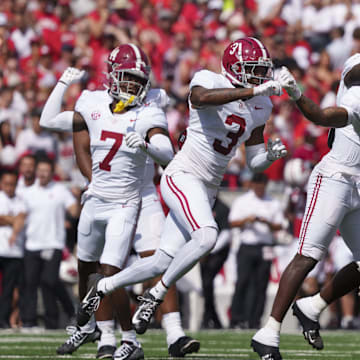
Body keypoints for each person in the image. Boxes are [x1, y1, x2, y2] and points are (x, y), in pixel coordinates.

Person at [75, 37, 287, 338]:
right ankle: (154, 296)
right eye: (251, 70)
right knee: (208, 235)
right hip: (183, 174)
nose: (257, 77)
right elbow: (201, 98)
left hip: (208, 186)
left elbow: (253, 162)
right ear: (233, 67)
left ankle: (103, 286)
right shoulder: (208, 78)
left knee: (161, 260)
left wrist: (271, 156)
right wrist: (252, 90)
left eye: (260, 72)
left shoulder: (261, 102)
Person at [40, 44, 198, 359]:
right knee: (97, 269)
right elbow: (68, 133)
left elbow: (166, 152)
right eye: (125, 78)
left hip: (142, 193)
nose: (131, 85)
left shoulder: (152, 104)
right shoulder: (92, 101)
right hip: (105, 194)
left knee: (155, 260)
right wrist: (94, 181)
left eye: (137, 79)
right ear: (111, 76)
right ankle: (103, 337)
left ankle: (173, 334)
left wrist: (149, 146)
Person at [251, 53, 360, 360]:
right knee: (308, 256)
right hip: (335, 178)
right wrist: (297, 94)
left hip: (359, 184)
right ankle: (268, 333)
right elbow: (325, 115)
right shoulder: (357, 90)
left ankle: (311, 306)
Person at [20, 157, 79, 330]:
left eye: (46, 170)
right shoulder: (28, 193)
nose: (43, 173)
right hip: (32, 244)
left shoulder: (60, 190)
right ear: (37, 172)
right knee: (30, 283)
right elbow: (21, 217)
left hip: (54, 243)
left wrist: (77, 199)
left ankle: (55, 319)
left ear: (52, 173)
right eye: (41, 170)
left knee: (49, 281)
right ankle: (29, 321)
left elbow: (74, 211)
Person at [229, 172, 285, 330]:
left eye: (262, 187)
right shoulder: (242, 201)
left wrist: (267, 223)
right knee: (242, 282)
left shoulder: (272, 202)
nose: (260, 189)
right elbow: (233, 222)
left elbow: (279, 225)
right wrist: (248, 220)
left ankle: (255, 320)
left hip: (265, 247)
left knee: (261, 285)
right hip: (247, 245)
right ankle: (237, 318)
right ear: (252, 185)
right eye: (257, 186)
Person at [0, 170, 26, 328]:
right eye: (6, 184)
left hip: (14, 251)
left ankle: (2, 319)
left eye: (12, 184)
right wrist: (13, 219)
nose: (9, 187)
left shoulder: (20, 201)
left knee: (9, 290)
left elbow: (21, 220)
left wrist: (8, 220)